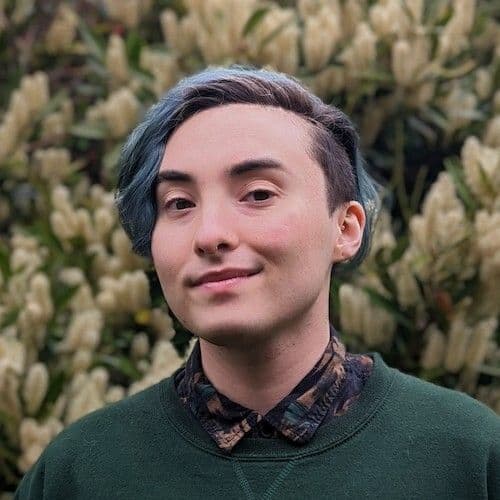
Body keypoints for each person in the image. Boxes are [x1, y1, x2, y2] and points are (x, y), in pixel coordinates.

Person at [15, 66, 499, 499]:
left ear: (345, 228)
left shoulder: (466, 457)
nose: (210, 235)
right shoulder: (81, 472)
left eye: (258, 194)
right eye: (179, 204)